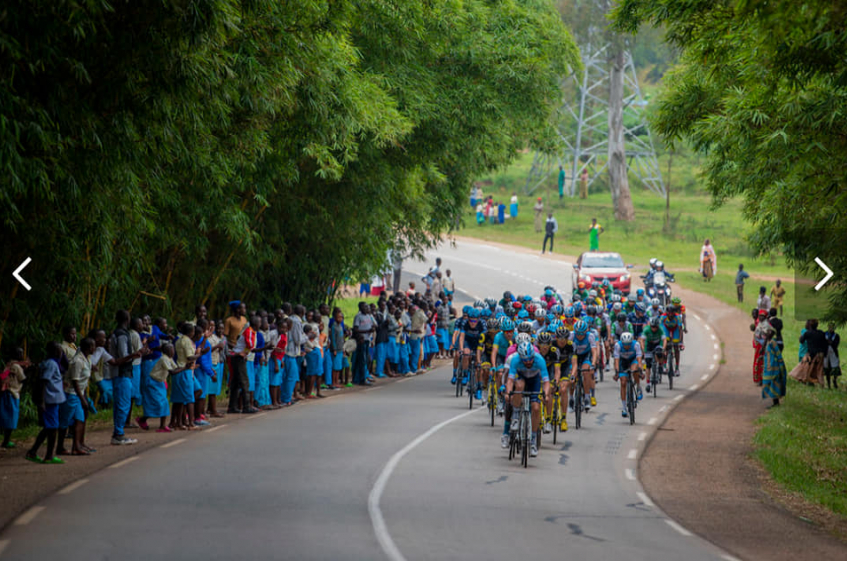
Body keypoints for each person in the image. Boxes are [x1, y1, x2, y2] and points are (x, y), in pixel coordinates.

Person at [503, 342, 550, 458]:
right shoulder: (515, 360)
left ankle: (533, 440)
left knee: (536, 407)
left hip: (534, 380)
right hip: (521, 377)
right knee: (519, 386)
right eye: (525, 360)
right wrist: (508, 392)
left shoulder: (539, 360)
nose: (528, 362)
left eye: (530, 359)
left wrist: (546, 395)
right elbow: (510, 380)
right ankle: (516, 414)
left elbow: (546, 381)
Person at [26, 342, 66, 464]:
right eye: (59, 350)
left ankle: (33, 452)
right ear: (53, 351)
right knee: (52, 428)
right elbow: (44, 381)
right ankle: (49, 456)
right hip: (50, 400)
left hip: (53, 399)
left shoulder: (50, 363)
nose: (61, 353)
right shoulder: (51, 364)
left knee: (48, 428)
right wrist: (42, 401)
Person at [109, 310, 145, 445]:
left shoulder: (117, 333)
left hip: (120, 373)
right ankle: (118, 434)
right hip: (122, 372)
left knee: (120, 404)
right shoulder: (122, 335)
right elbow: (123, 355)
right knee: (123, 404)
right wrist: (136, 354)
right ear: (127, 319)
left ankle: (118, 432)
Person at [60, 336, 95, 455]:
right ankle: (60, 446)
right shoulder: (77, 361)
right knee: (65, 421)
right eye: (93, 346)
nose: (94, 348)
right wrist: (82, 399)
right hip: (71, 394)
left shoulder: (87, 359)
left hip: (79, 394)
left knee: (80, 419)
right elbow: (75, 382)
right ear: (88, 347)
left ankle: (77, 446)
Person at [1, 348, 29, 449]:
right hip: (13, 393)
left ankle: (6, 440)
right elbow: (23, 379)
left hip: (6, 393)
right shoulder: (17, 366)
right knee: (11, 418)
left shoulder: (9, 364)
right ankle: (6, 441)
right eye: (20, 353)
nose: (22, 355)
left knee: (6, 417)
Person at [613, 332, 644, 418]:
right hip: (623, 362)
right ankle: (624, 408)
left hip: (633, 360)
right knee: (623, 382)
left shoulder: (636, 344)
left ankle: (638, 387)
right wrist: (616, 372)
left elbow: (639, 358)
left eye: (628, 344)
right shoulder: (618, 345)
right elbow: (616, 360)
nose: (626, 346)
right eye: (625, 344)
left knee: (634, 370)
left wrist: (640, 370)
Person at [793, 319, 826, 386]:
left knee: (805, 367)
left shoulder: (808, 333)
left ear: (810, 325)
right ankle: (818, 382)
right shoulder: (821, 333)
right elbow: (825, 343)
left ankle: (804, 380)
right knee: (818, 369)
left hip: (811, 353)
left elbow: (801, 341)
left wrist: (801, 337)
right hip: (820, 354)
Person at [762, 328, 787, 408]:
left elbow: (778, 354)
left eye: (770, 332)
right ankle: (775, 402)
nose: (768, 333)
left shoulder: (773, 342)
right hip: (768, 367)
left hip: (774, 367)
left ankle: (776, 402)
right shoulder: (768, 342)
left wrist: (781, 366)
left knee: (774, 384)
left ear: (773, 333)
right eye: (767, 331)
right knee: (768, 383)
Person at [824, 323, 840, 389]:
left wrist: (830, 342)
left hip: (833, 353)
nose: (831, 329)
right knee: (827, 368)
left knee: (835, 367)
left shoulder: (836, 336)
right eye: (830, 327)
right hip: (826, 353)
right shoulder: (825, 334)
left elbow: (836, 344)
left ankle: (834, 380)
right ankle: (828, 384)